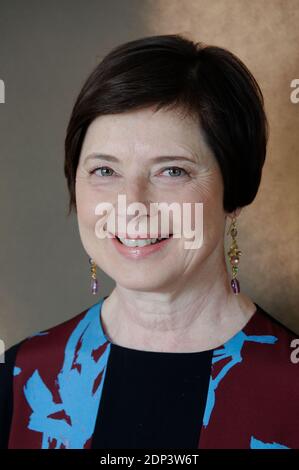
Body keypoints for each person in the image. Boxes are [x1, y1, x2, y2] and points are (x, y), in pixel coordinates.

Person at [1, 34, 298, 450]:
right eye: (105, 171)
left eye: (171, 171)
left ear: (234, 191)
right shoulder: (19, 379)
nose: (132, 205)